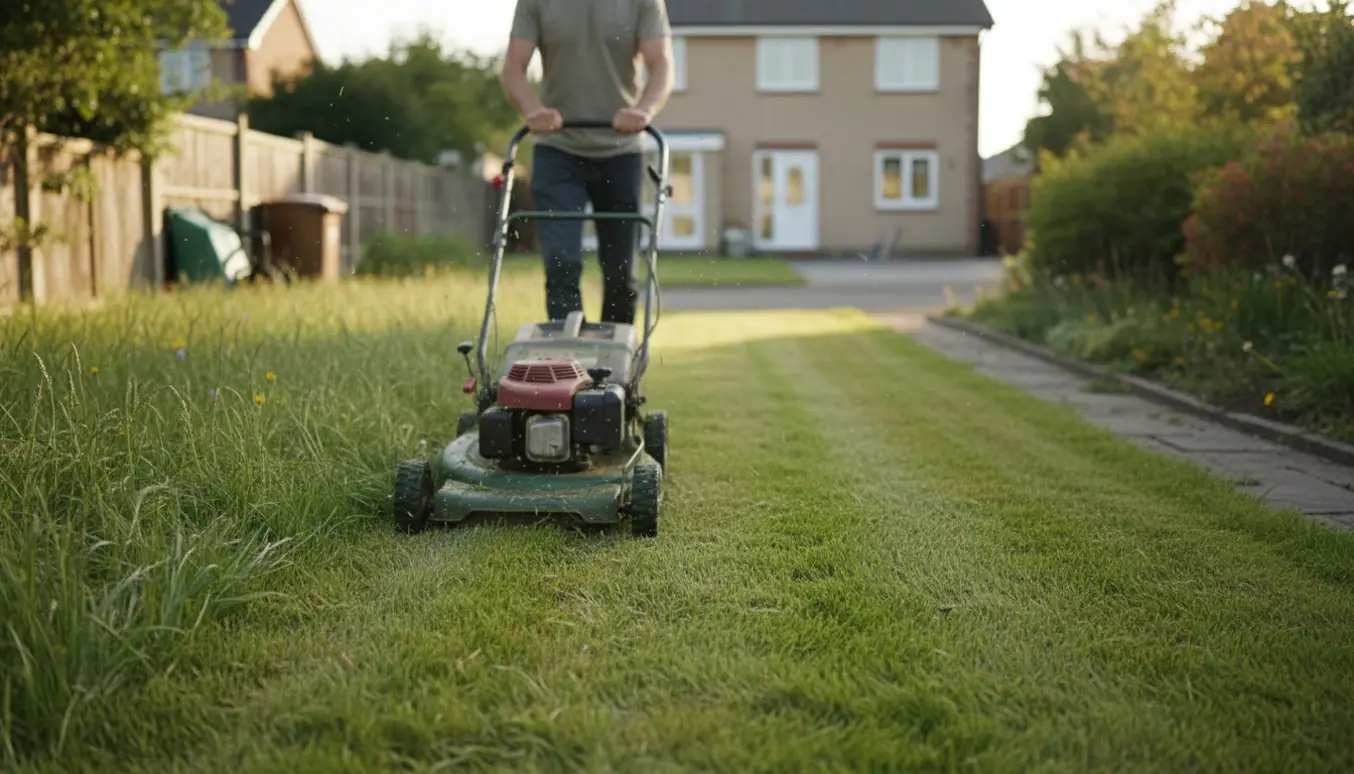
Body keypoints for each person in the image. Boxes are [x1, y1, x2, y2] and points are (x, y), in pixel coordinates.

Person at [500, 0, 675, 325]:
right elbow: (513, 68)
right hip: (557, 150)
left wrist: (644, 111)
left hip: (621, 152)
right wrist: (531, 111)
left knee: (621, 273)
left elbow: (661, 64)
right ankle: (568, 357)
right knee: (562, 265)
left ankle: (619, 364)